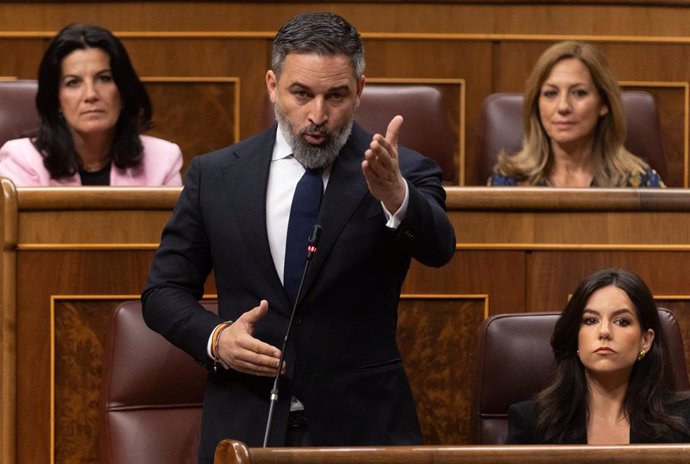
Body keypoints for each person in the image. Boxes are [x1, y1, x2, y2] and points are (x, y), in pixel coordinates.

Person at [141, 11, 455, 463]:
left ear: (360, 91)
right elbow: (163, 292)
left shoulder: (401, 172)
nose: (318, 115)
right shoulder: (216, 176)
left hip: (364, 430)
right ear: (272, 86)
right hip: (245, 426)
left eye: (336, 96)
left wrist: (395, 195)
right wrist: (217, 339)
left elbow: (440, 248)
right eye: (301, 94)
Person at [507, 268, 690, 444]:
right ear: (575, 336)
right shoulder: (532, 422)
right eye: (590, 320)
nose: (604, 332)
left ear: (646, 340)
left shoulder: (683, 420)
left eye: (621, 321)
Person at [0, 23, 182, 186]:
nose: (91, 94)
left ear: (123, 91)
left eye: (104, 78)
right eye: (73, 82)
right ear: (56, 100)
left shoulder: (163, 160)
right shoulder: (22, 161)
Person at [488, 41, 664, 187]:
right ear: (537, 104)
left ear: (603, 103)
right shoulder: (509, 181)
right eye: (551, 94)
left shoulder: (638, 182)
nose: (563, 106)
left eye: (579, 93)